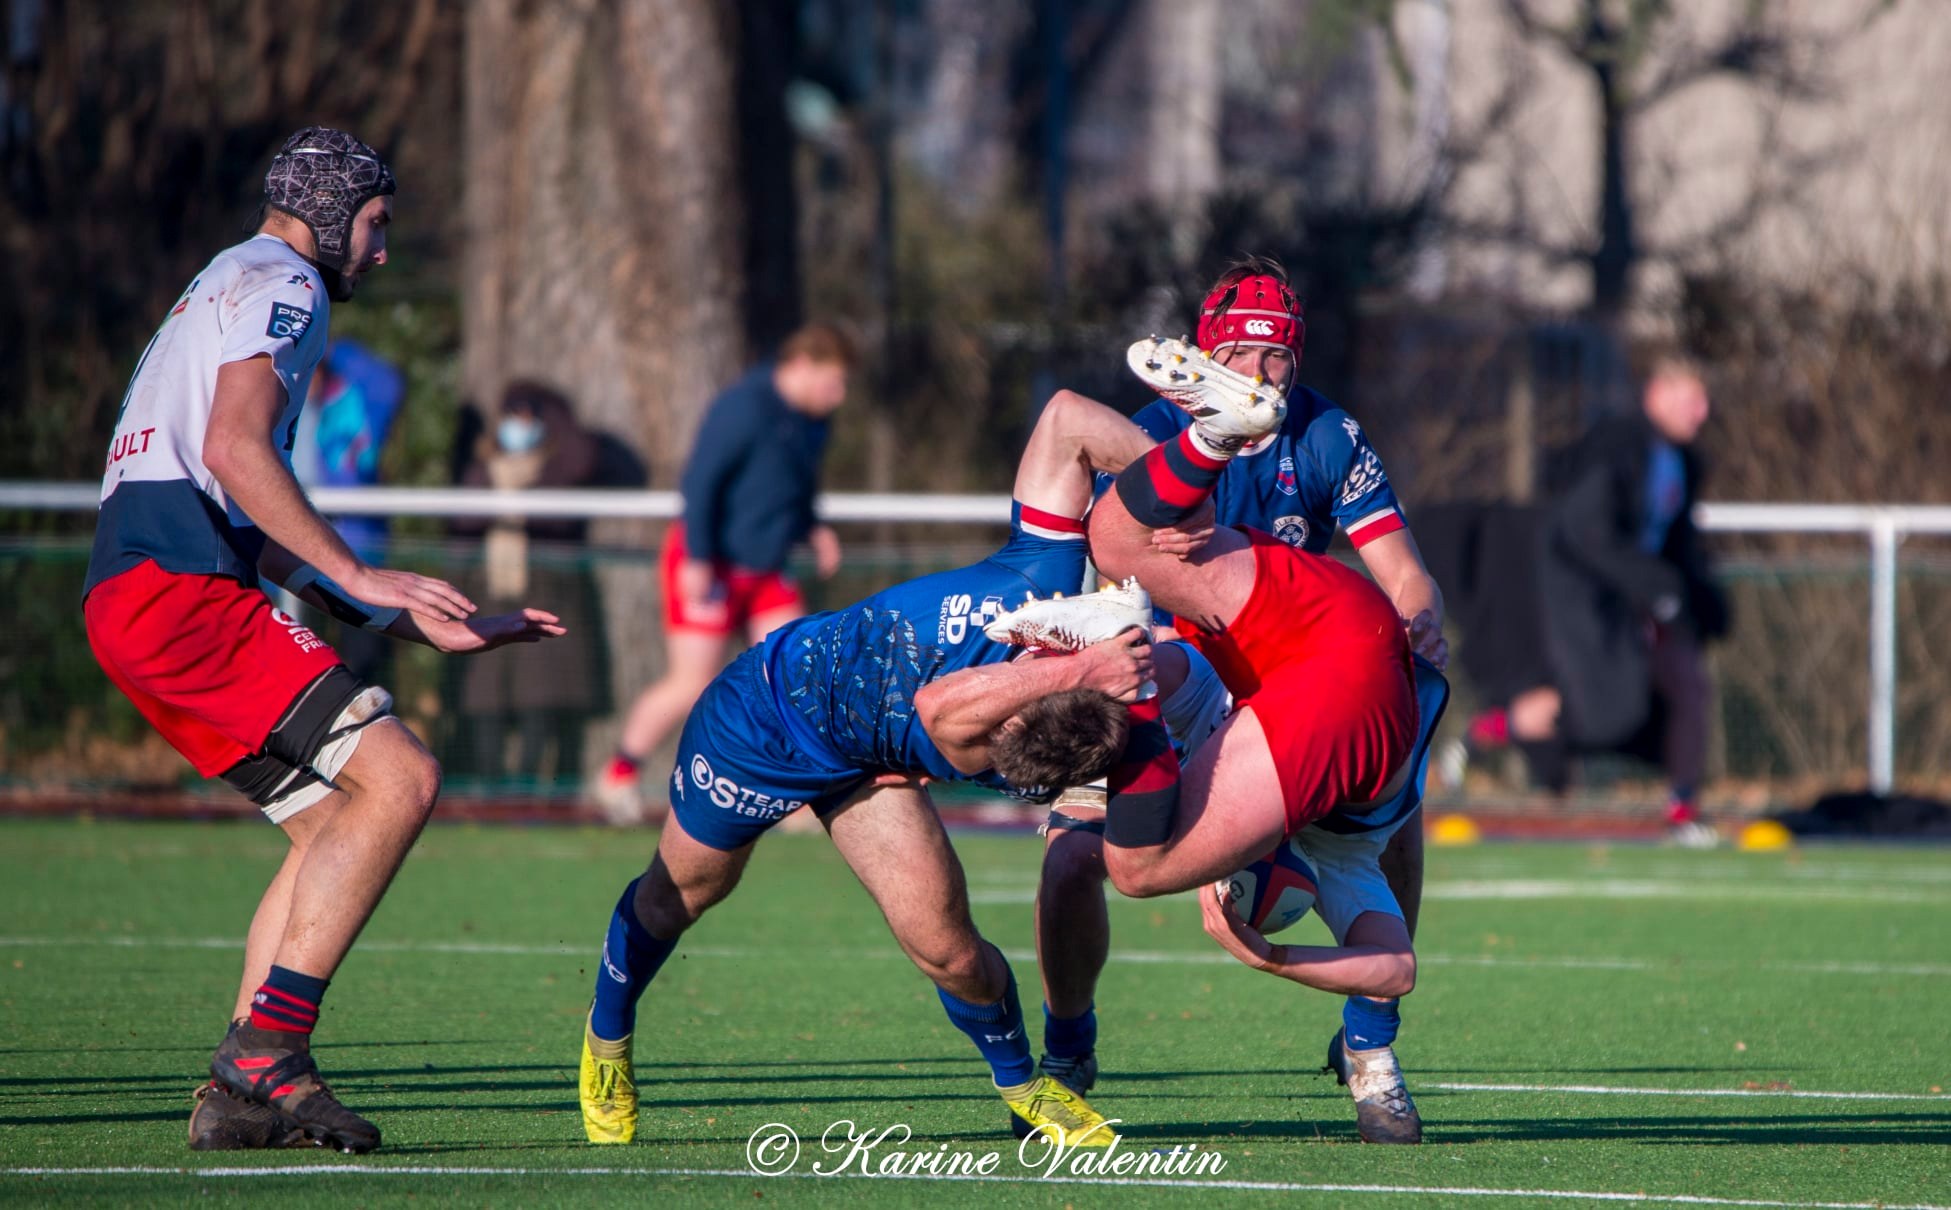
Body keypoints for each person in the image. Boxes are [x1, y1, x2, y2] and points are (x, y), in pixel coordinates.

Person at [81, 128, 564, 1154]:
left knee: (328, 829)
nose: (381, 252)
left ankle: (244, 1095)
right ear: (331, 212)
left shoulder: (226, 278)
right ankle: (268, 1054)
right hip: (178, 590)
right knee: (400, 779)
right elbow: (234, 450)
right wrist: (356, 573)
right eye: (377, 225)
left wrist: (397, 614)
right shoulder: (286, 283)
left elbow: (241, 497)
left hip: (135, 595)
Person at [575, 401, 1160, 1149]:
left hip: (870, 761)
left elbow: (940, 706)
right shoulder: (1043, 573)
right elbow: (1065, 420)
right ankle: (606, 1042)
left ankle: (1023, 1090)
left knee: (948, 950)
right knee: (683, 891)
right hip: (764, 714)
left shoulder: (979, 739)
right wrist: (1189, 496)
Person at [1025, 259, 1447, 1137]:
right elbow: (1114, 585)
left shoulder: (1328, 433)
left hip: (1293, 673)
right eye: (1244, 354)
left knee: (1394, 818)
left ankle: (1369, 1046)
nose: (1262, 373)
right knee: (1073, 855)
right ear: (1206, 356)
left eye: (1278, 358)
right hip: (1167, 668)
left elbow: (1405, 574)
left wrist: (1416, 625)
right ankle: (1066, 1046)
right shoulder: (1144, 431)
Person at [595, 324, 853, 821]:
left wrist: (814, 529)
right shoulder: (743, 406)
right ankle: (618, 776)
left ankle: (794, 796)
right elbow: (701, 482)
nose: (837, 396)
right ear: (801, 366)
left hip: (766, 567)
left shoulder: (812, 423)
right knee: (690, 682)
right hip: (709, 561)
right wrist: (696, 557)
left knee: (795, 675)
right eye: (832, 382)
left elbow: (795, 489)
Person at [1481, 354, 1727, 844]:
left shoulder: (1682, 461)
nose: (1700, 412)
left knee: (1688, 681)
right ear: (1656, 393)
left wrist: (1700, 598)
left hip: (1637, 595)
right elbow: (1585, 533)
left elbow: (1676, 543)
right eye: (1690, 399)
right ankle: (1486, 732)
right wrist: (1653, 586)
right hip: (1587, 595)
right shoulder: (1619, 446)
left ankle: (1682, 807)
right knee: (1599, 713)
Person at [450, 381, 609, 789]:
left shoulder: (557, 468)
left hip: (546, 591)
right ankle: (489, 786)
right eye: (512, 418)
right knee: (484, 694)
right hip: (488, 592)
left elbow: (577, 469)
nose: (519, 428)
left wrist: (554, 406)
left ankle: (533, 788)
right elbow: (464, 523)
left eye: (529, 419)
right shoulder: (482, 471)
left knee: (543, 693)